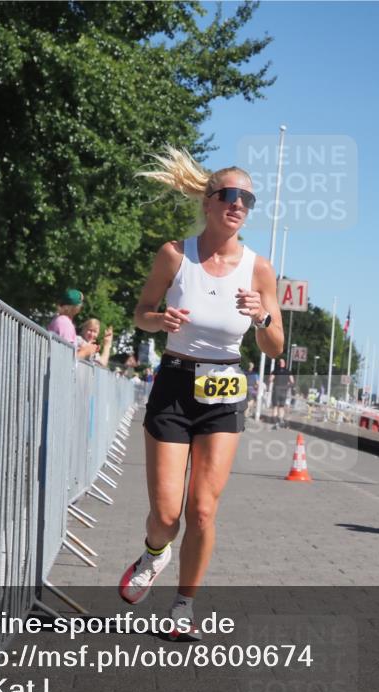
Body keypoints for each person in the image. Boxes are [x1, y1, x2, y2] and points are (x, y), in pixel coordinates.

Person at [119, 148, 283, 640]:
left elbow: (275, 345)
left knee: (203, 509)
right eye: (230, 195)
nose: (239, 205)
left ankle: (183, 606)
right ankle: (153, 553)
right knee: (167, 515)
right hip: (174, 384)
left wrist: (262, 316)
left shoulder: (259, 269)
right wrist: (159, 320)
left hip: (225, 389)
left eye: (247, 199)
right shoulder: (175, 255)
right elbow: (141, 314)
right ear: (208, 201)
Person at [48, 288, 98, 360]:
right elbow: (66, 358)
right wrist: (86, 351)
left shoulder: (60, 320)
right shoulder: (65, 323)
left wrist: (82, 349)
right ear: (76, 308)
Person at [269, 357, 294, 429]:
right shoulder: (288, 371)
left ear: (278, 364)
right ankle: (281, 420)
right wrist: (287, 386)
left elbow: (270, 379)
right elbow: (292, 381)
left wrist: (274, 381)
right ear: (284, 364)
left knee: (275, 406)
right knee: (281, 407)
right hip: (284, 390)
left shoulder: (275, 371)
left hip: (277, 389)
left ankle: (276, 423)